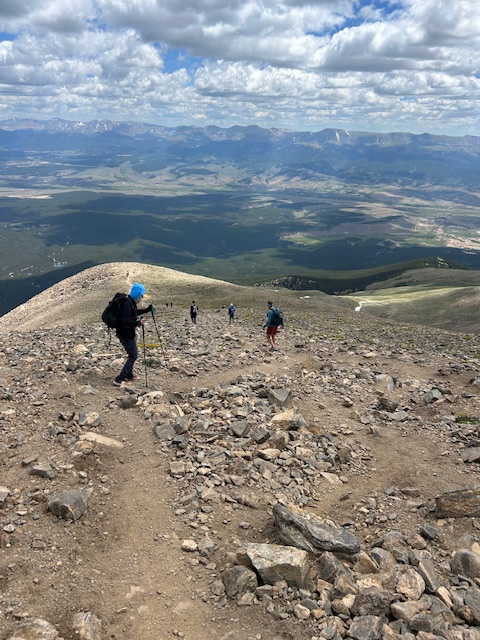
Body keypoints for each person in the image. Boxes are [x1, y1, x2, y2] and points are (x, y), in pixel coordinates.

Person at [114, 282, 154, 385]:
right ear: (137, 295)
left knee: (132, 354)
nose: (142, 298)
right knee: (133, 355)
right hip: (125, 334)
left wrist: (147, 310)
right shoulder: (128, 303)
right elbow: (125, 321)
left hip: (127, 333)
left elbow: (134, 313)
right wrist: (138, 323)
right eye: (141, 296)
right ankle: (120, 378)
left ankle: (129, 375)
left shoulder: (130, 302)